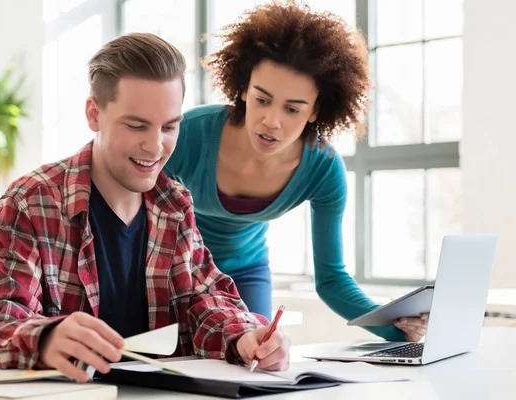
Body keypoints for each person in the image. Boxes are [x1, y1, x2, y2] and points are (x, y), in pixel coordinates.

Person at [0, 32, 291, 382]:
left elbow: (204, 302)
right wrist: (44, 340)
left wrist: (245, 337)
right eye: (136, 126)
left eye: (169, 127)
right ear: (93, 114)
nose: (155, 146)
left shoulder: (174, 205)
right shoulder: (30, 203)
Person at [164, 1, 428, 342]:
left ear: (316, 111)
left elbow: (331, 279)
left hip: (246, 272)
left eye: (292, 108)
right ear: (243, 88)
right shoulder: (190, 133)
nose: (271, 121)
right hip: (175, 265)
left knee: (255, 362)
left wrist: (396, 328)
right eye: (262, 99)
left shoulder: (323, 169)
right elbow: (137, 220)